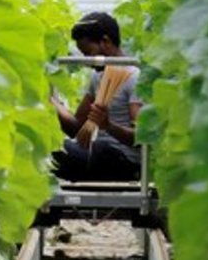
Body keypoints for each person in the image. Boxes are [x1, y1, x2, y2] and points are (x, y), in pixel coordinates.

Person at [51, 11, 144, 182]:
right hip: (100, 155)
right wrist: (49, 100)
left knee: (98, 149)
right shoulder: (98, 77)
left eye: (89, 53)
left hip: (124, 163)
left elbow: (141, 138)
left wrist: (108, 126)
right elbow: (76, 128)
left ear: (105, 41)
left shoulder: (134, 77)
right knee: (49, 147)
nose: (87, 61)